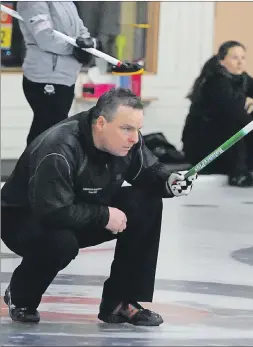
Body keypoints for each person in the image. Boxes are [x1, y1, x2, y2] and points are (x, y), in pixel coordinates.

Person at [1, 88, 197, 325]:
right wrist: (103, 215)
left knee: (145, 204)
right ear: (101, 123)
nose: (134, 138)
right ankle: (21, 297)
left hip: (82, 207)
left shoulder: (127, 142)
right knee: (60, 242)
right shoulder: (59, 147)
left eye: (138, 129)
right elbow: (53, 211)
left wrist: (169, 180)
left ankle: (121, 302)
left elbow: (148, 171)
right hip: (27, 220)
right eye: (126, 129)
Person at [181, 40, 253, 188]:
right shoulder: (215, 82)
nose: (240, 63)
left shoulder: (244, 79)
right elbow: (234, 112)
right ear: (222, 61)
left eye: (243, 58)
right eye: (235, 58)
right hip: (204, 145)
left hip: (232, 140)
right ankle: (238, 173)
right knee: (234, 122)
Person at [17, 1, 102, 145]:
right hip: (44, 76)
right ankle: (33, 165)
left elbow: (81, 31)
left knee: (57, 127)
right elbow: (45, 38)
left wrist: (89, 44)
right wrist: (75, 49)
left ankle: (49, 165)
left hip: (66, 76)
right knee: (47, 126)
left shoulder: (66, 2)